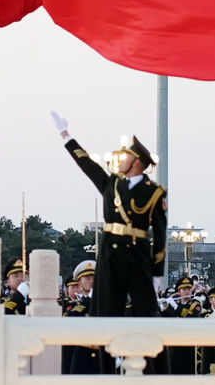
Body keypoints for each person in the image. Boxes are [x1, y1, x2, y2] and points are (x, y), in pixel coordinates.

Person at [54, 112, 167, 320]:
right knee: (104, 313)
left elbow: (160, 236)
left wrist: (157, 272)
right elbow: (87, 164)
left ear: (136, 162)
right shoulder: (112, 184)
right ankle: (106, 354)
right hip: (110, 252)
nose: (121, 160)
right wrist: (66, 136)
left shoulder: (154, 192)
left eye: (126, 157)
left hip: (137, 255)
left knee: (147, 314)